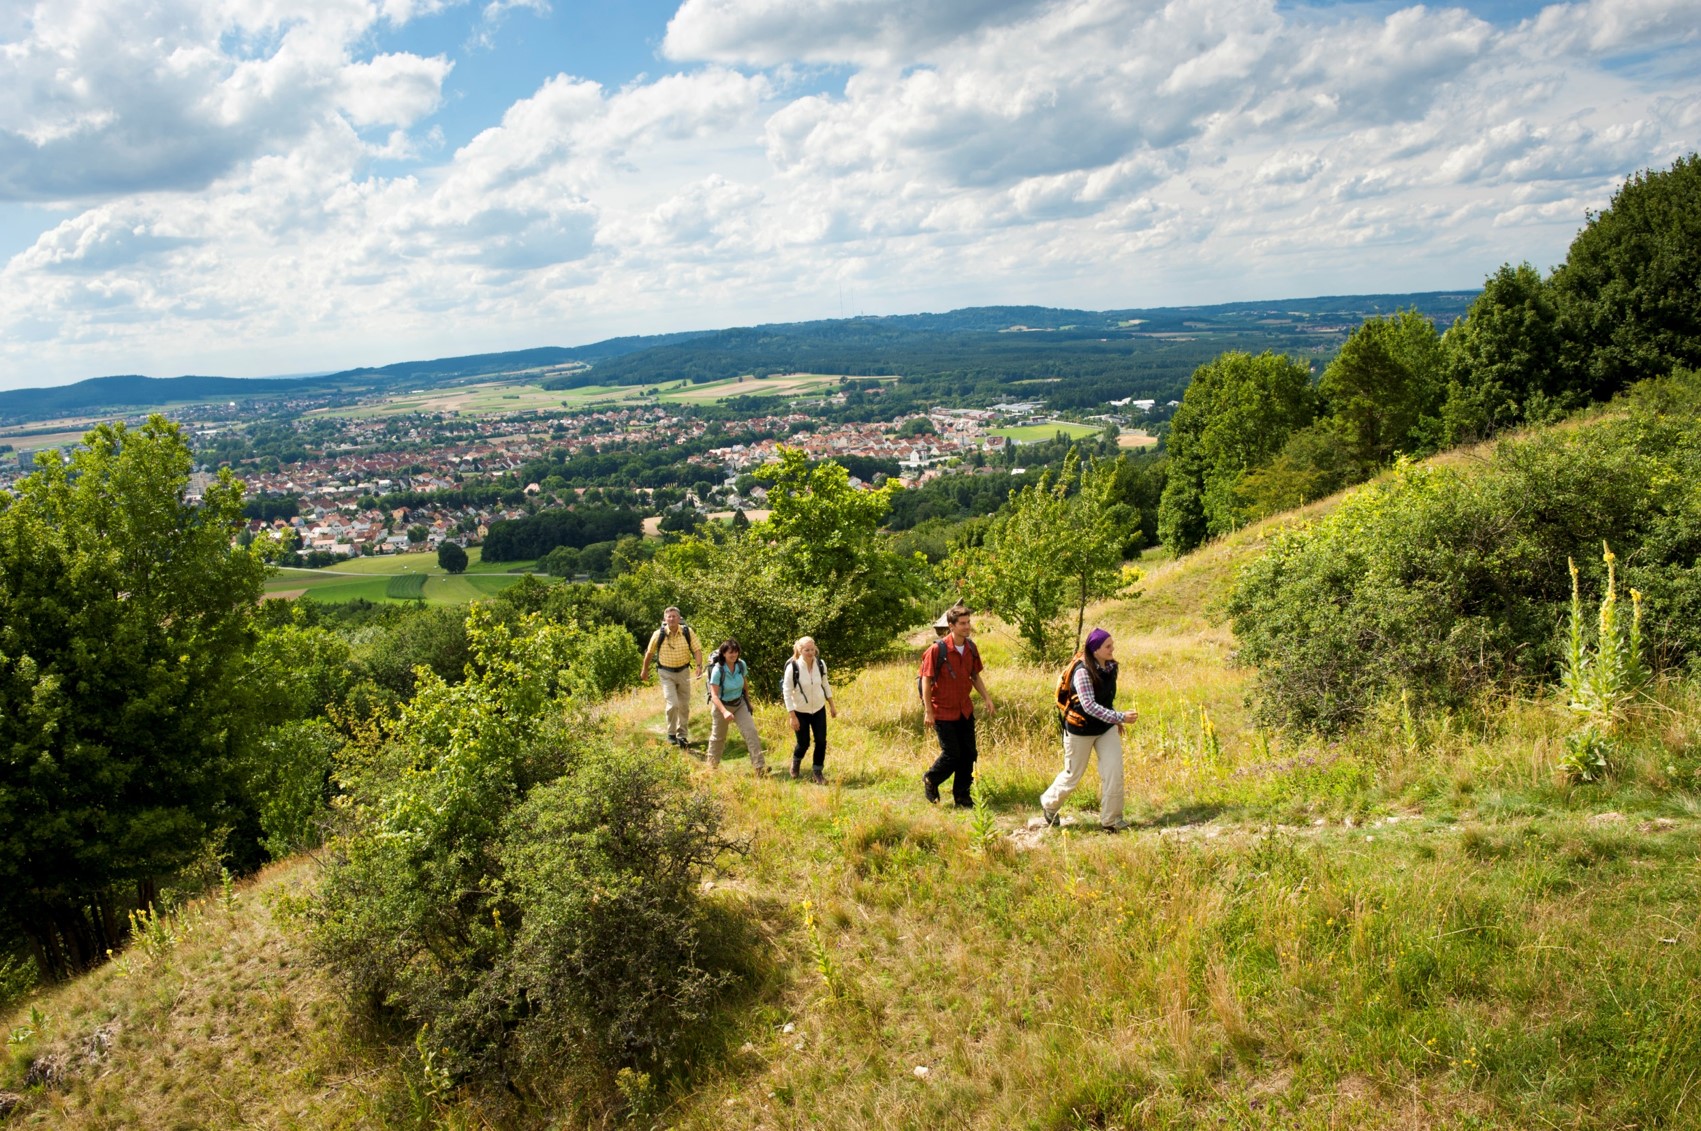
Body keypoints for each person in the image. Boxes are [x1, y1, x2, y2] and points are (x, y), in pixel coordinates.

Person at [1041, 628, 1136, 832]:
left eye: (1112, 644)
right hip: (1080, 730)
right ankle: (1049, 805)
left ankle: (1111, 820)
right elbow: (1089, 706)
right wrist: (1120, 717)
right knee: (1073, 774)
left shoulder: (1111, 667)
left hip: (1105, 728)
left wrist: (1114, 721)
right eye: (1107, 646)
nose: (1113, 649)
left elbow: (1106, 699)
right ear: (1095, 650)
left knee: (1113, 771)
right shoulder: (1082, 671)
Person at [919, 605, 997, 807]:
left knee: (969, 754)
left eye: (968, 622)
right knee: (952, 754)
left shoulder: (971, 648)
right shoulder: (938, 650)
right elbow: (926, 680)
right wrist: (929, 711)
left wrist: (987, 698)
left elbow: (975, 676)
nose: (967, 626)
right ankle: (931, 779)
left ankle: (962, 796)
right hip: (943, 710)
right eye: (962, 623)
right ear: (951, 626)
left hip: (964, 709)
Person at [639, 606, 703, 747]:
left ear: (679, 618)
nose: (672, 619)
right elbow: (649, 654)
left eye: (674, 616)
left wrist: (699, 666)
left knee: (684, 705)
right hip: (666, 673)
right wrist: (644, 670)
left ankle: (682, 736)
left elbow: (697, 649)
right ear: (664, 619)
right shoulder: (658, 634)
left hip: (684, 672)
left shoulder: (687, 631)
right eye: (669, 617)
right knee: (673, 704)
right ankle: (671, 733)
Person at [705, 638, 766, 775]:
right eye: (730, 652)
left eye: (736, 652)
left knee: (751, 732)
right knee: (718, 737)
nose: (734, 655)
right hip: (722, 705)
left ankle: (759, 768)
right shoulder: (717, 670)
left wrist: (748, 702)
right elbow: (714, 695)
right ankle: (711, 768)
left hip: (739, 704)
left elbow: (745, 685)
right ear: (724, 654)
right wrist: (725, 712)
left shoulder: (741, 665)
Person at [782, 636, 836, 783]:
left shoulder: (820, 664)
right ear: (800, 650)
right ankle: (796, 761)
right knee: (803, 743)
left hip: (818, 708)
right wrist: (792, 716)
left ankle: (817, 772)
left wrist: (831, 705)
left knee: (821, 740)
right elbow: (786, 692)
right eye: (807, 650)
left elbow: (825, 684)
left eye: (812, 649)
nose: (810, 653)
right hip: (800, 711)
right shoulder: (793, 667)